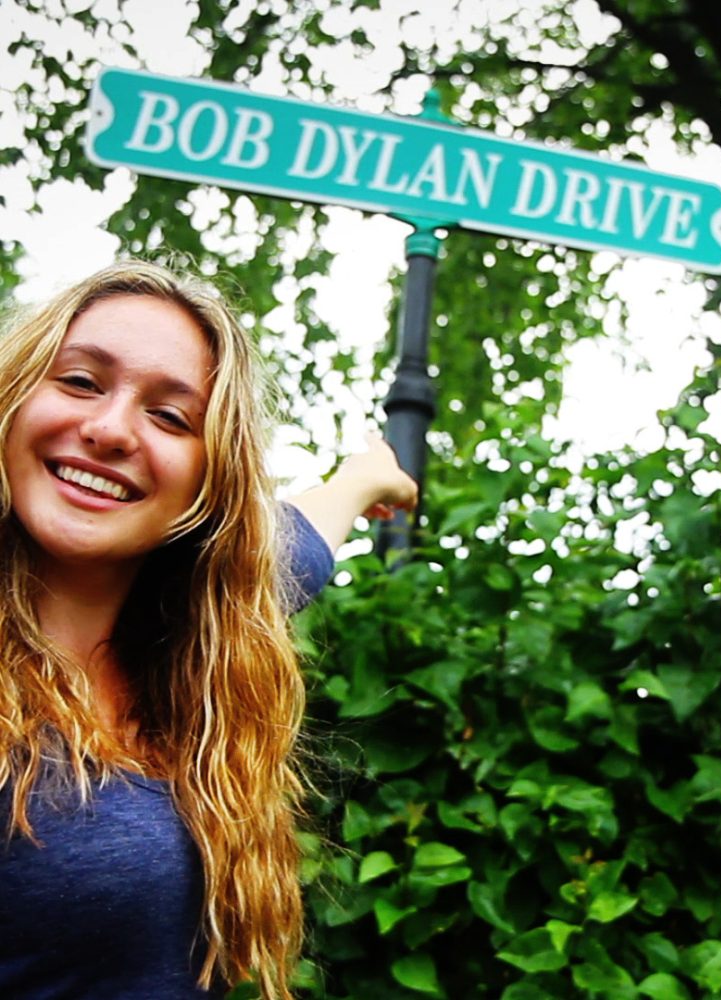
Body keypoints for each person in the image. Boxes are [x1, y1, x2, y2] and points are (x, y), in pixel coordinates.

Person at [0, 260, 418, 999]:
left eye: (170, 416)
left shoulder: (202, 628)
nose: (108, 429)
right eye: (80, 381)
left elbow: (297, 543)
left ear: (205, 486)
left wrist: (366, 476)